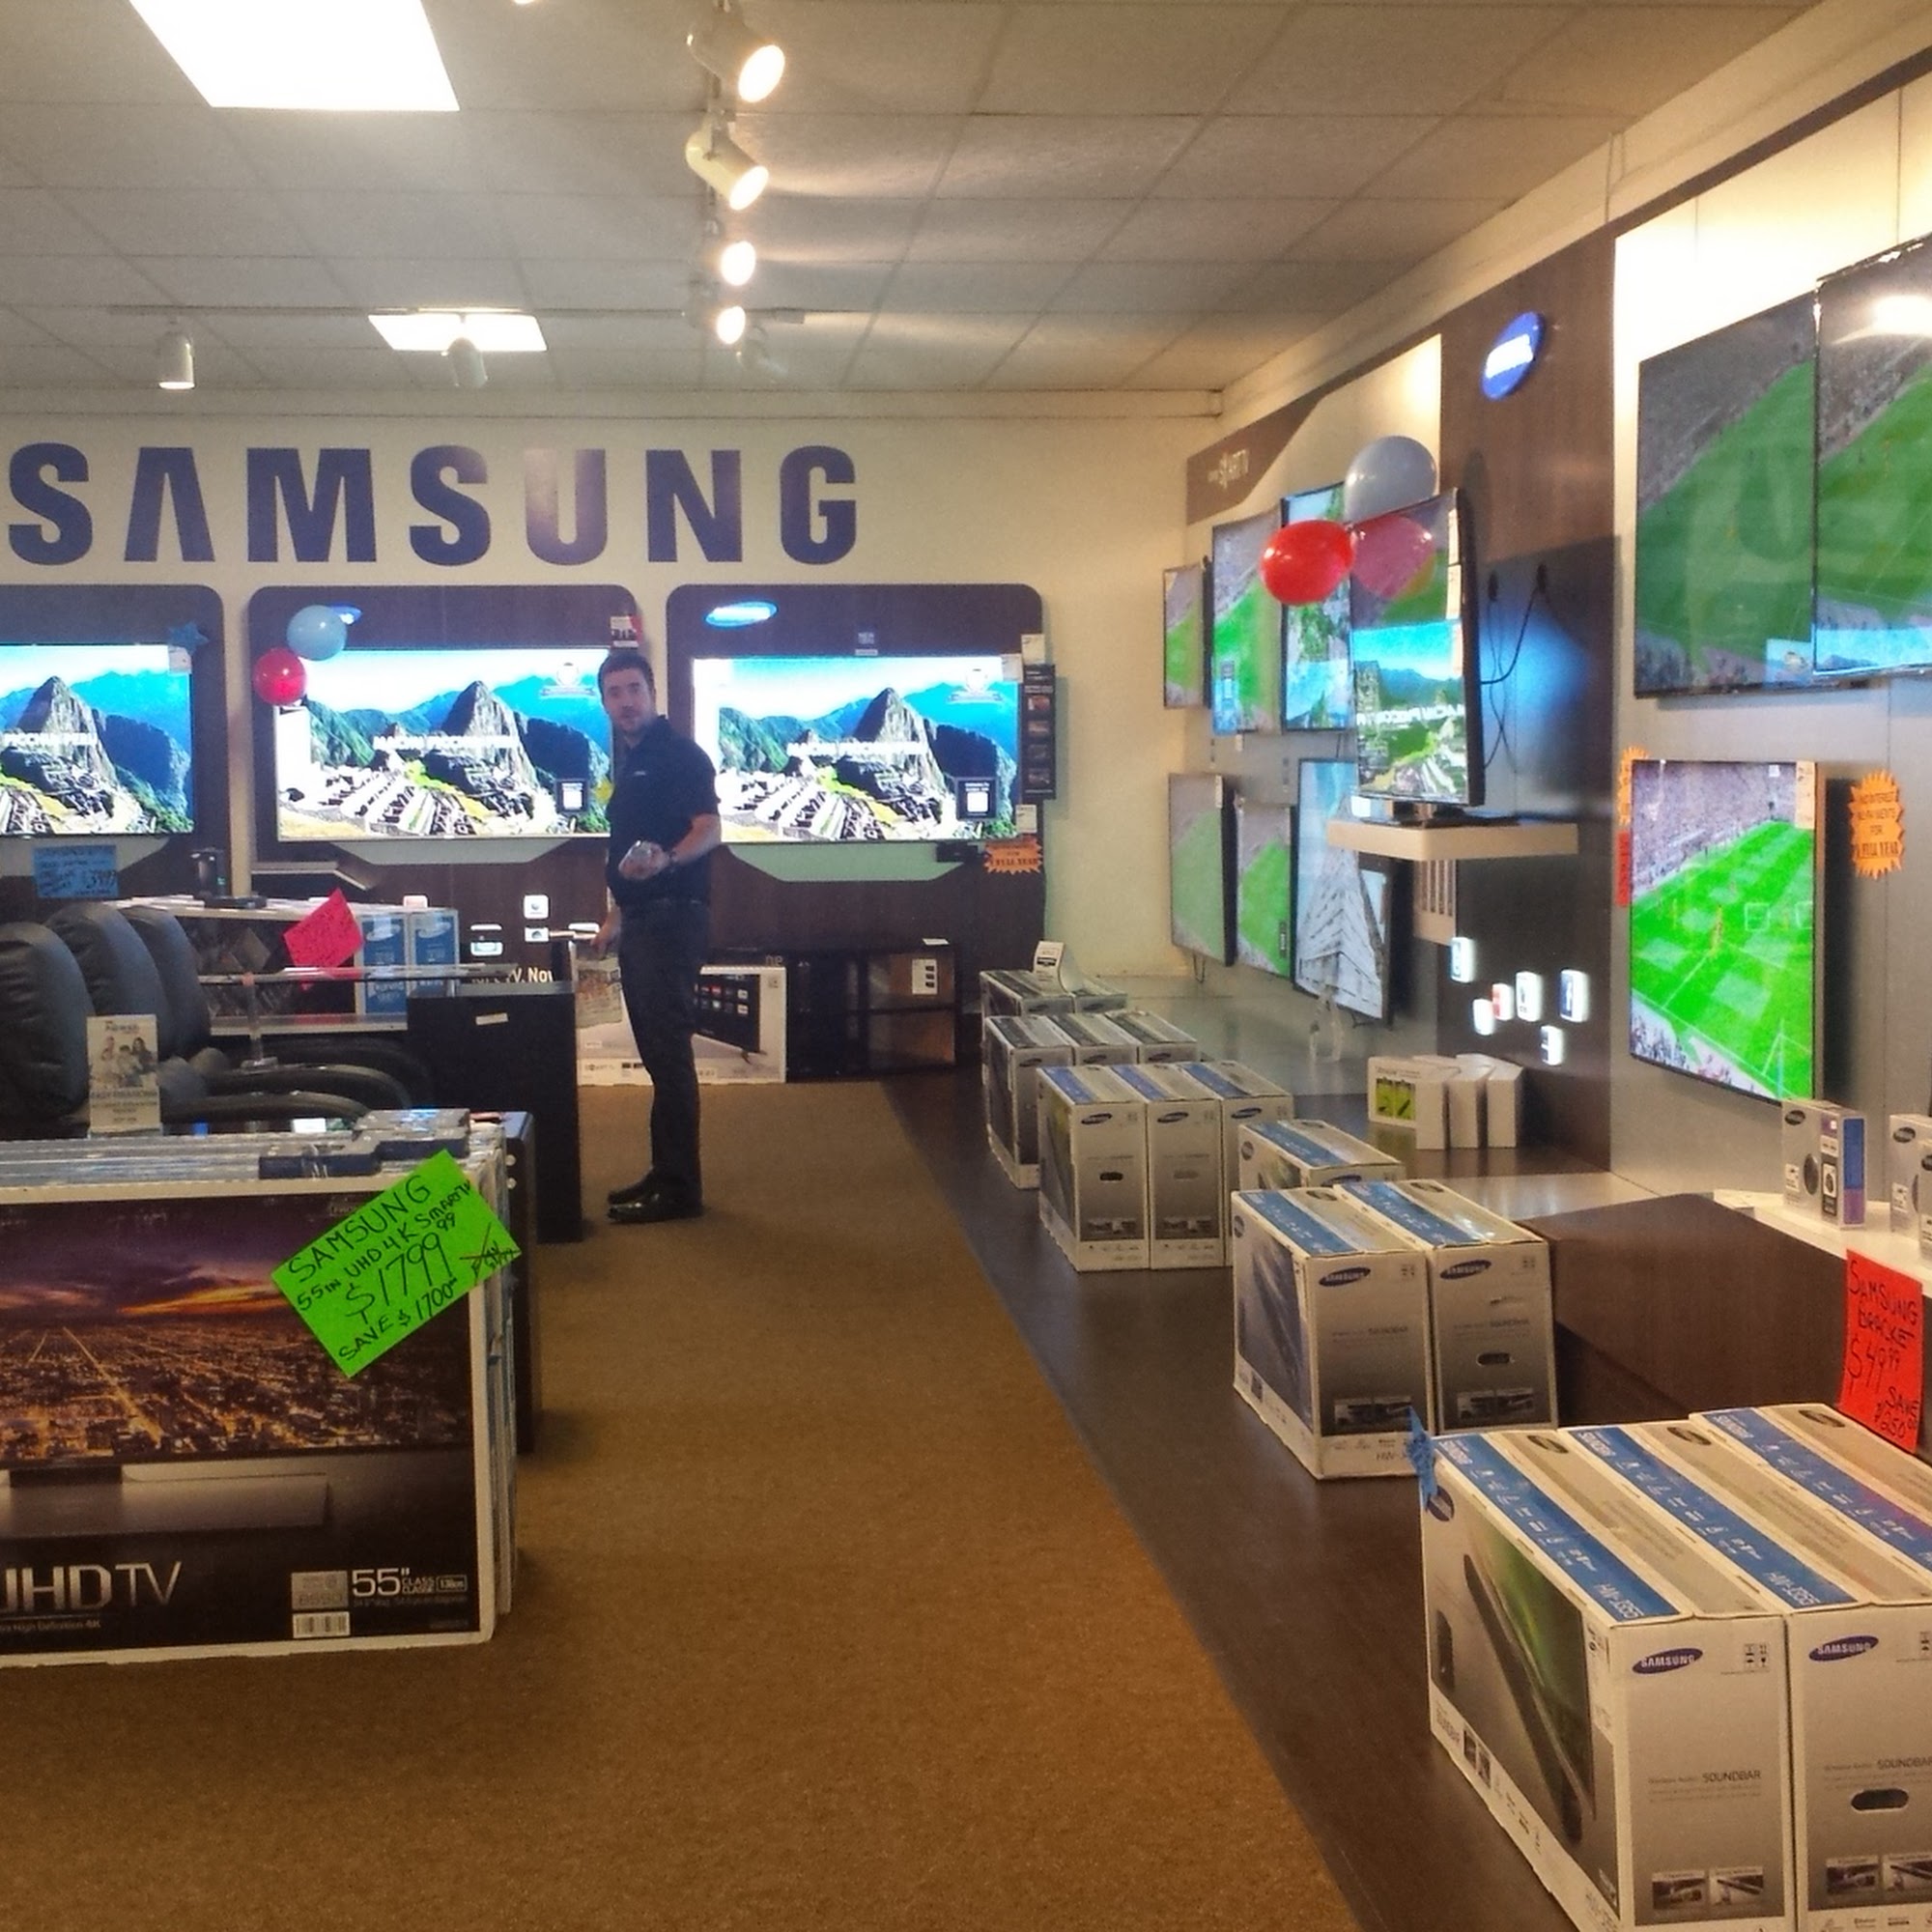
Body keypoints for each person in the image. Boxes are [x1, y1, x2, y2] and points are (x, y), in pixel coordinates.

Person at [593, 645, 722, 1224]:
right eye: (614, 693)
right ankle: (664, 1171)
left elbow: (709, 829)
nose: (626, 702)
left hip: (672, 919)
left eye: (634, 690)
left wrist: (668, 860)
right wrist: (617, 916)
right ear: (604, 702)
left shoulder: (679, 755)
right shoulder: (632, 761)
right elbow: (626, 852)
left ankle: (680, 1189)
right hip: (644, 920)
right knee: (656, 1054)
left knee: (668, 1056)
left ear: (651, 694)